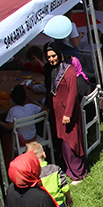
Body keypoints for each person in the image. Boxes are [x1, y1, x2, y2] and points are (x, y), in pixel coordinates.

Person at [44, 40, 87, 183]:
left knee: (71, 142)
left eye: (53, 56)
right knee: (62, 142)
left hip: (67, 113)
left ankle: (78, 173)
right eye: (49, 57)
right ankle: (70, 170)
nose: (51, 59)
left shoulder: (68, 70)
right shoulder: (49, 70)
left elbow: (72, 94)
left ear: (59, 54)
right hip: (56, 113)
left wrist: (67, 114)